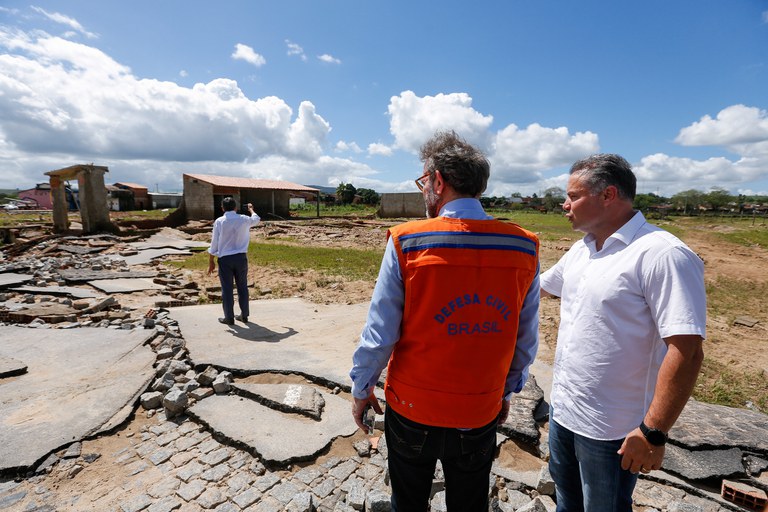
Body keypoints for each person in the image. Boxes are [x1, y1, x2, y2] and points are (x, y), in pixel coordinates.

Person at [349, 130, 540, 511]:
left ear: (438, 181)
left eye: (424, 181)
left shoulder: (407, 241)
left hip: (412, 407)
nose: (424, 190)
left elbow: (380, 331)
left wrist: (362, 386)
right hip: (480, 407)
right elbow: (525, 337)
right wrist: (505, 391)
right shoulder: (523, 245)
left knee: (408, 501)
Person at [540, 154, 706, 511]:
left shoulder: (662, 254)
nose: (564, 205)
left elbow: (687, 351)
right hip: (564, 412)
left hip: (612, 429)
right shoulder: (582, 249)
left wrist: (652, 432)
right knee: (567, 504)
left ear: (608, 195)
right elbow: (535, 288)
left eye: (573, 196)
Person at [207, 197, 261, 325]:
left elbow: (214, 243)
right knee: (242, 287)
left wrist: (211, 260)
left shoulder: (220, 221)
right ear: (236, 207)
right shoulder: (244, 219)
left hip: (225, 259)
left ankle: (229, 317)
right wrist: (251, 209)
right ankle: (244, 315)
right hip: (241, 258)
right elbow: (256, 219)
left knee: (227, 288)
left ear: (222, 208)